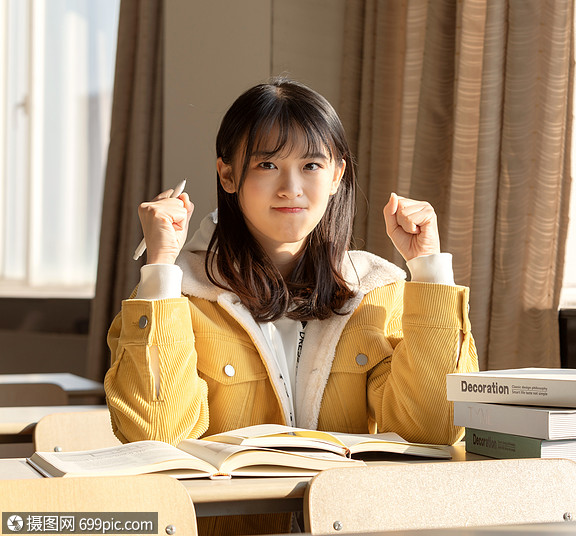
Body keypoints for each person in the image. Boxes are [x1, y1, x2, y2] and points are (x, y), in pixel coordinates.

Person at [104, 77, 478, 461]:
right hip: (225, 519)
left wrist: (428, 267)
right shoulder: (177, 293)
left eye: (311, 165)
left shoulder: (375, 290)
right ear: (227, 174)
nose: (291, 188)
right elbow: (156, 437)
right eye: (267, 164)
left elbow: (432, 430)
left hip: (341, 517)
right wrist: (162, 267)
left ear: (336, 176)